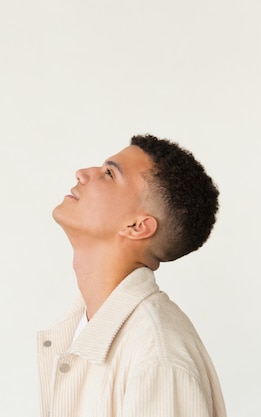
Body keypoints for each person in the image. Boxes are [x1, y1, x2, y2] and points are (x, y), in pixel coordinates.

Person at [37, 134, 226, 417]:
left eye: (109, 174)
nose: (83, 173)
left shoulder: (158, 359)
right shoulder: (80, 329)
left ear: (137, 226)